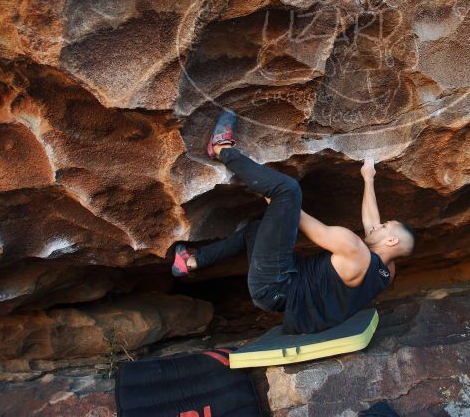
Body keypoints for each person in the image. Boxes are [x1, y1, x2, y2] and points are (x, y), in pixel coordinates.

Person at [171, 110, 415, 334]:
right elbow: (371, 223)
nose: (378, 225)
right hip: (282, 293)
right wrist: (368, 178)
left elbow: (300, 219)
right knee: (255, 231)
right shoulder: (387, 271)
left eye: (385, 226)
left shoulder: (354, 248)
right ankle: (189, 262)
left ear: (391, 240)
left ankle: (222, 148)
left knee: (288, 191)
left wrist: (275, 200)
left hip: (275, 284)